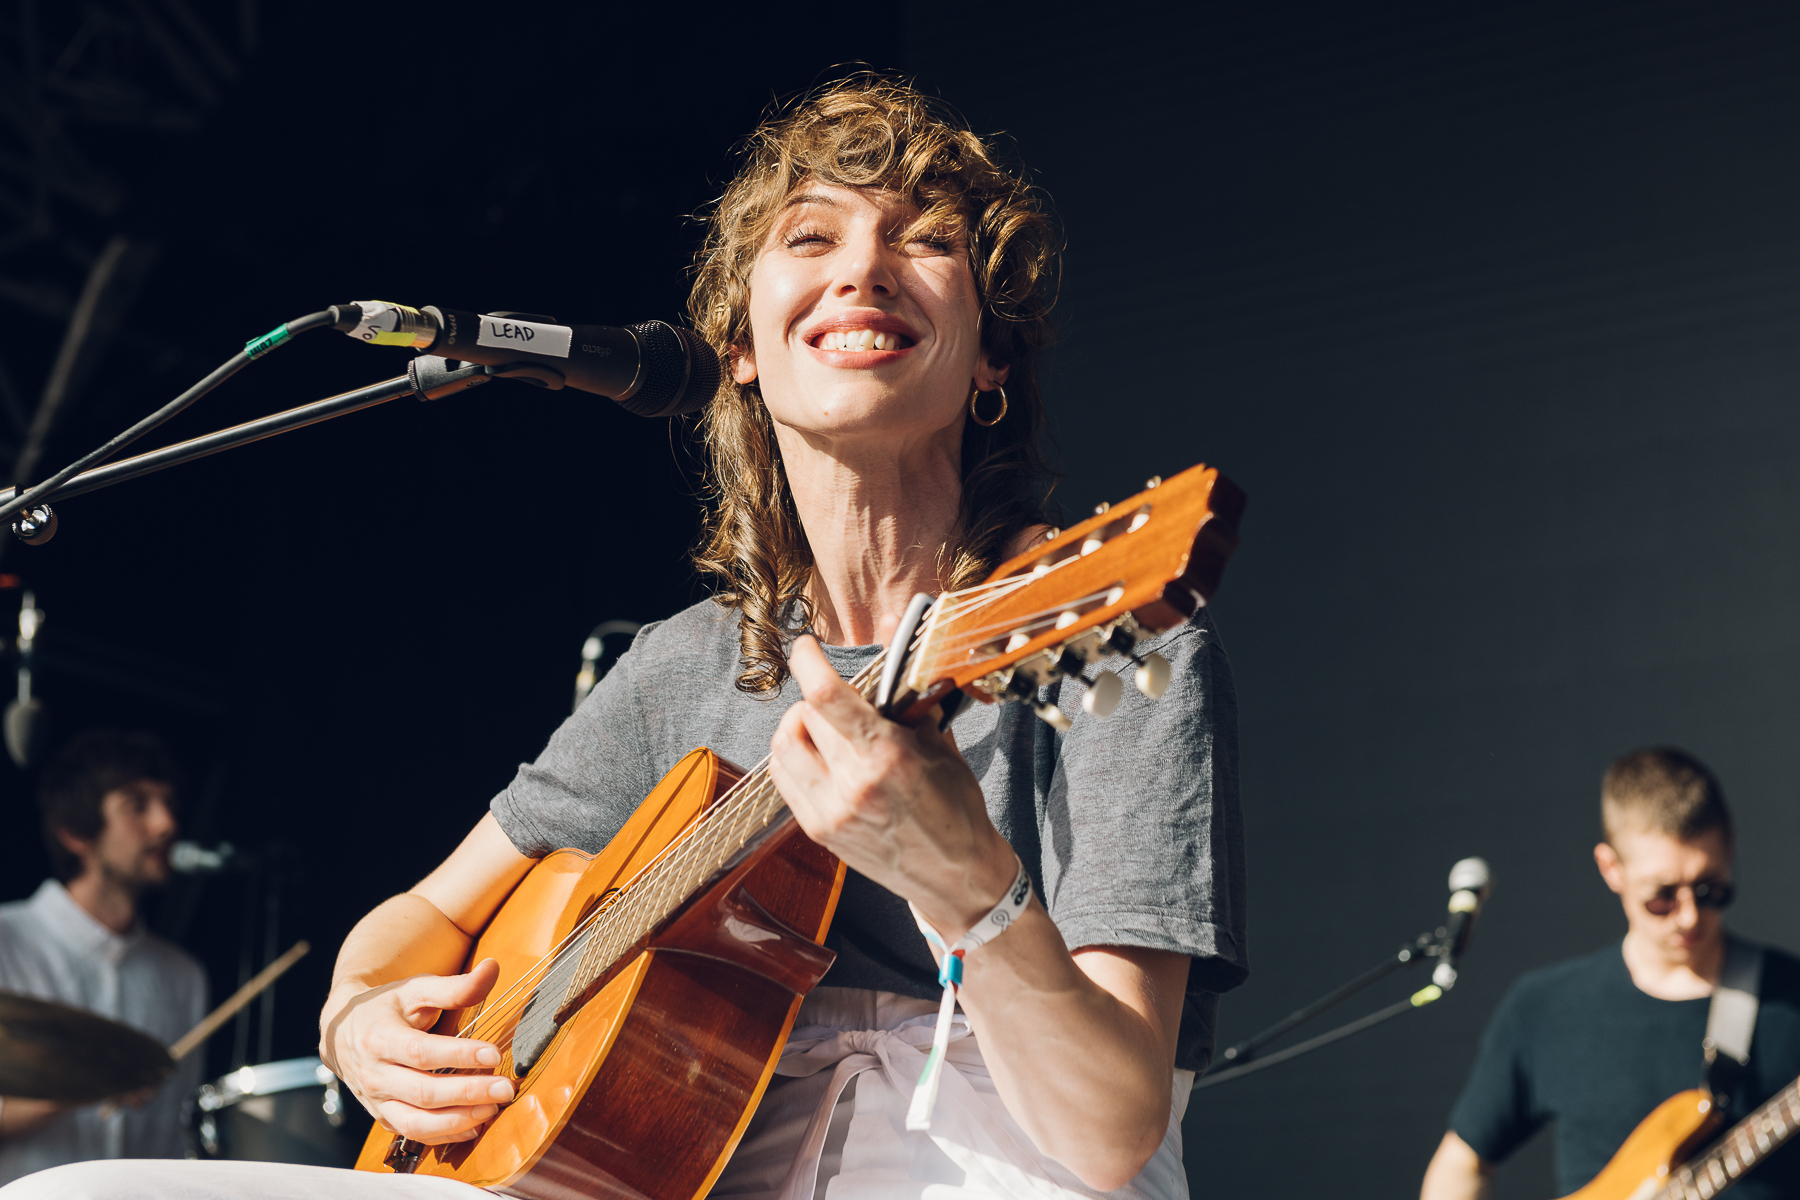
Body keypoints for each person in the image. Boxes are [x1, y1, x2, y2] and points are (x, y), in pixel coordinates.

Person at [2, 75, 1245, 1199]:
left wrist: (966, 881)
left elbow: (1108, 1133)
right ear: (740, 353)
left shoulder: (1125, 640)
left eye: (927, 242)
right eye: (810, 238)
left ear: (991, 363)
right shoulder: (691, 664)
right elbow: (418, 918)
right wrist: (356, 1018)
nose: (864, 269)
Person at [1420, 747, 1800, 1200]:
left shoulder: (1790, 995)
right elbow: (1460, 1167)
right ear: (1611, 868)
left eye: (1709, 888)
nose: (1689, 916)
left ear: (1730, 848)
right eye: (1662, 896)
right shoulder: (1545, 1007)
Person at [0, 730, 208, 1185]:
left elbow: (179, 1137)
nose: (166, 824)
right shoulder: (7, 940)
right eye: (138, 805)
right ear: (75, 833)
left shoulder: (183, 975)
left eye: (168, 804)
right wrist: (91, 1080)